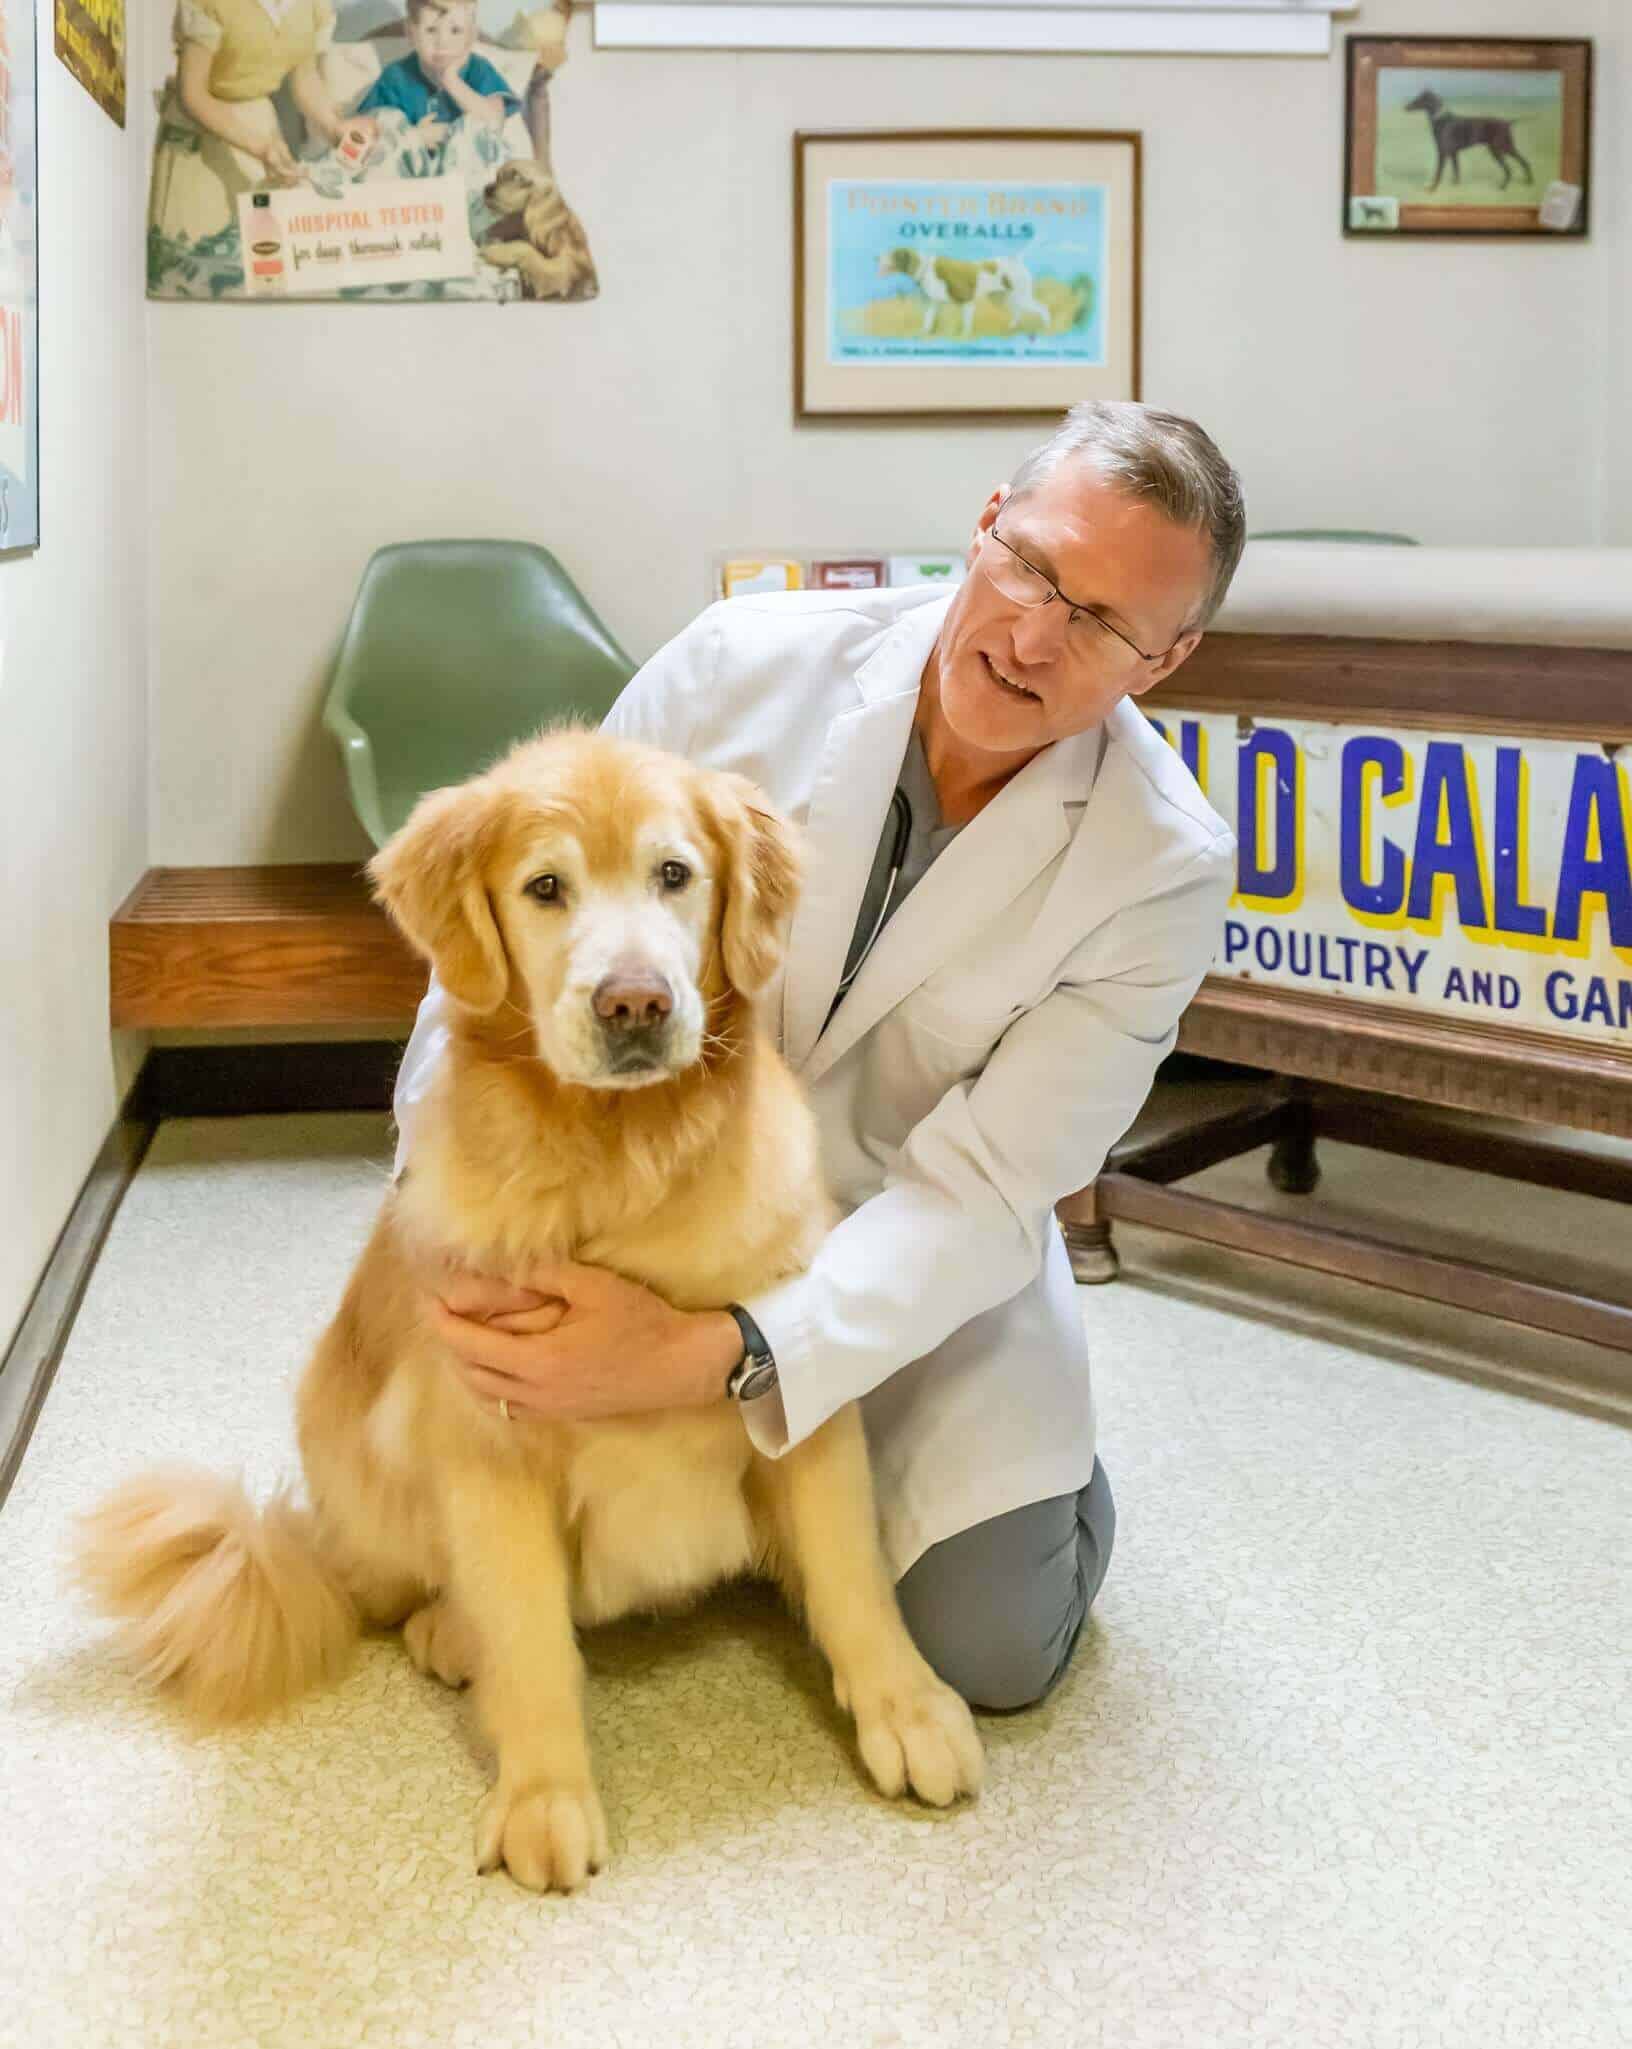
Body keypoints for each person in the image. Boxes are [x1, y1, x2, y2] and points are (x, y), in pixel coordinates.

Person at [393, 400, 1245, 1713]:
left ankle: (1054, 1483)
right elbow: (514, 948)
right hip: (656, 1197)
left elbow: (977, 1194)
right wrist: (435, 1199)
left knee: (991, 1649)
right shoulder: (736, 666)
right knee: (464, 1499)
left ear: (1167, 658)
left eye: (1102, 623)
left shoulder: (1161, 868)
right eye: (1031, 567)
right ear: (982, 528)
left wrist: (705, 1352)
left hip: (899, 1248)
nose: (1031, 635)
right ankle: (736, 1492)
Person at [146, 0, 367, 283]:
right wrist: (259, 146)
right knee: (192, 270)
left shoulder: (312, 6)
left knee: (260, 270)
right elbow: (193, 96)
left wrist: (335, 128)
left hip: (260, 128)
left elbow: (304, 79)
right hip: (201, 139)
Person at [351, 0, 521, 151]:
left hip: (464, 175)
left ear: (471, 36)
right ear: (411, 33)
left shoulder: (479, 70)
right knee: (386, 120)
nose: (442, 42)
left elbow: (494, 123)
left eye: (455, 31)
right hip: (411, 174)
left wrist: (451, 80)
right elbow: (365, 133)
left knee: (478, 132)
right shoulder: (396, 76)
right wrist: (415, 136)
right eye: (431, 30)